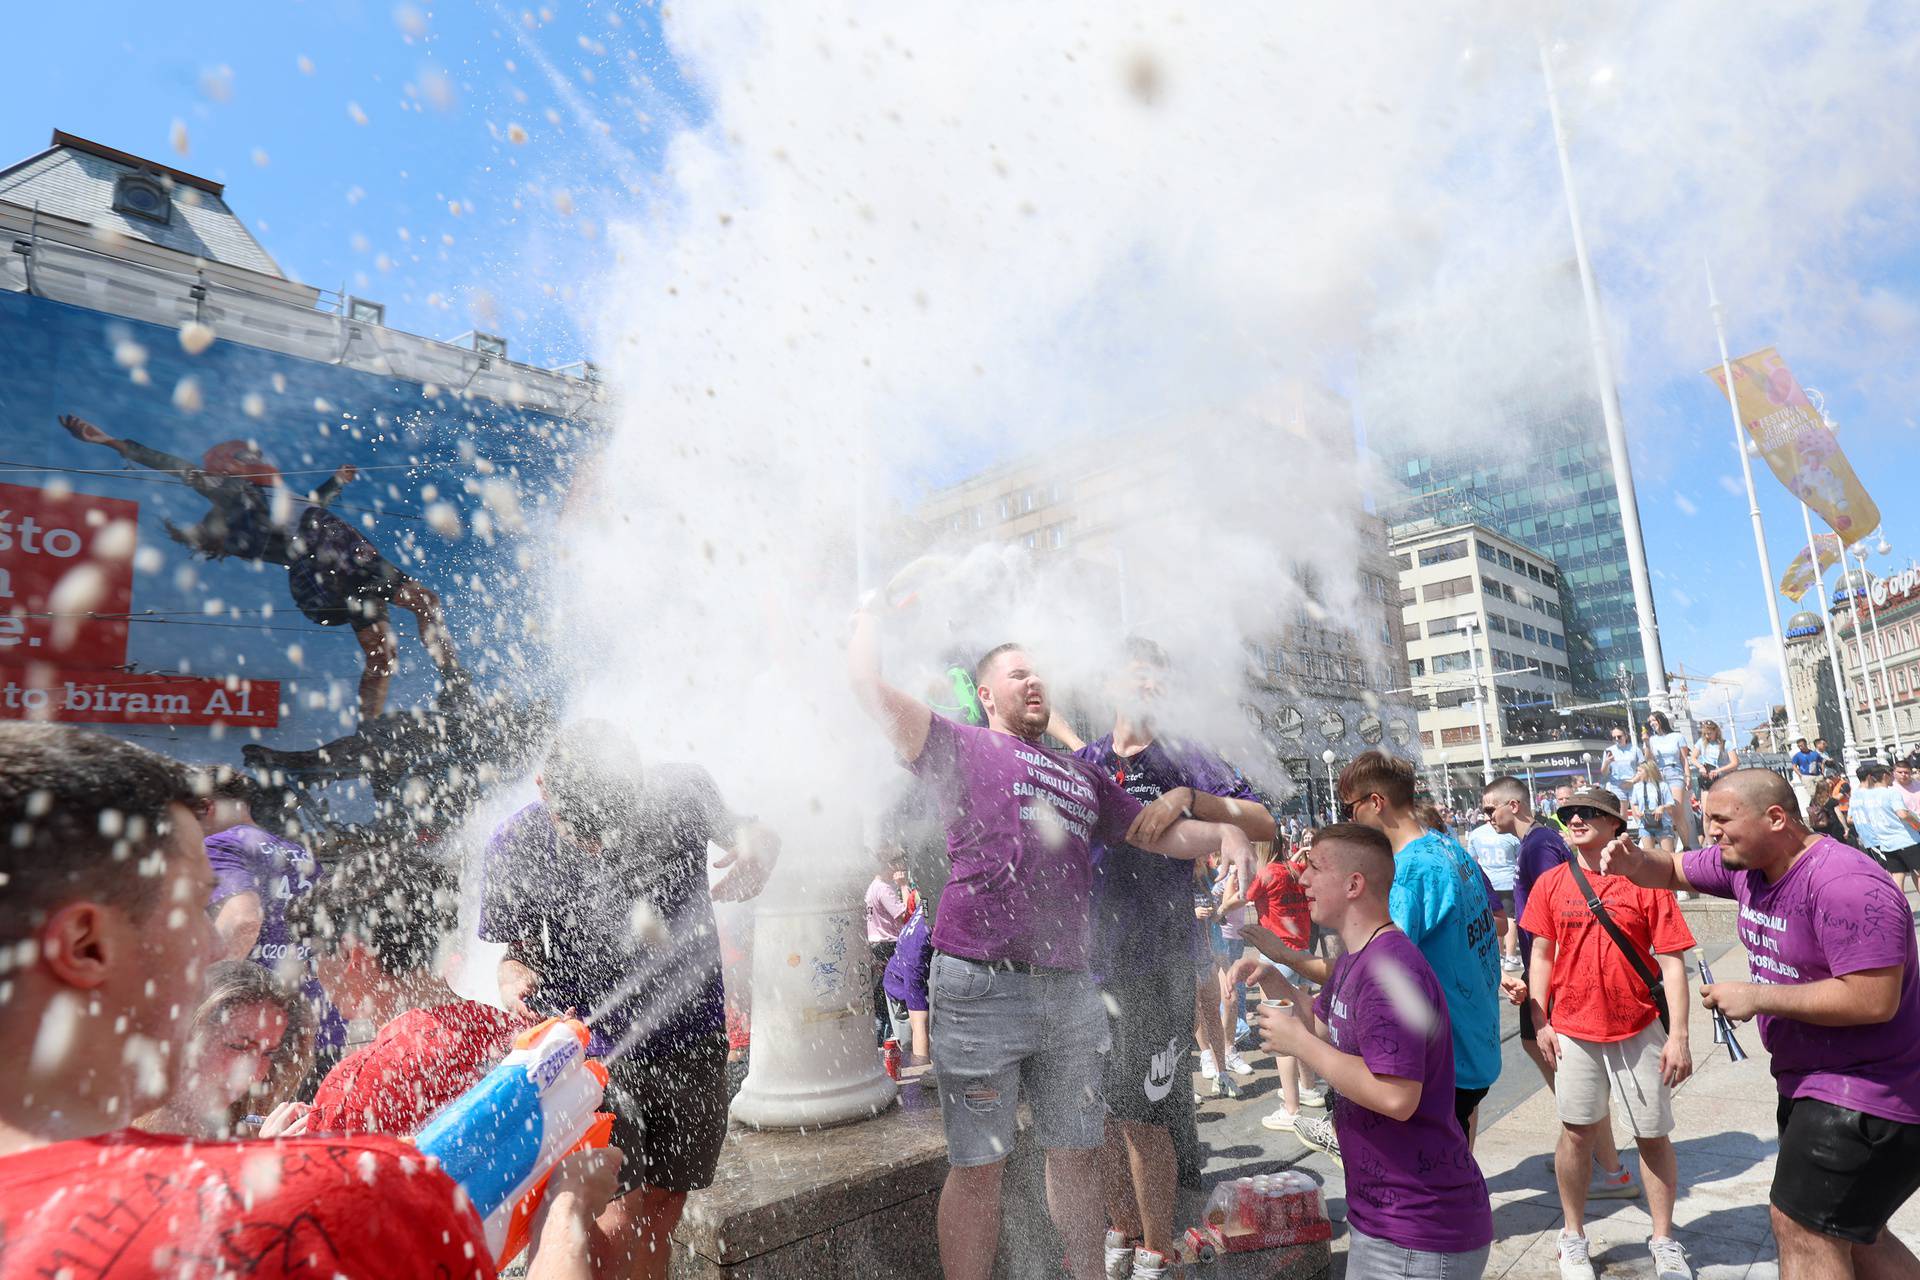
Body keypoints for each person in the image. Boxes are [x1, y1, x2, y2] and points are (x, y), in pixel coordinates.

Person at [0, 722, 613, 1280]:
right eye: (192, 906)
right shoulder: (311, 1201)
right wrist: (565, 1220)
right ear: (84, 945)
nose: (219, 945)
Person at [848, 617, 1257, 1280]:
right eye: (1018, 673)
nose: (1035, 679)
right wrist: (875, 609)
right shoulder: (959, 745)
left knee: (1075, 1150)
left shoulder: (1082, 777)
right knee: (979, 1164)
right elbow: (866, 688)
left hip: (1069, 989)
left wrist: (1226, 834)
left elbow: (1162, 836)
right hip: (978, 984)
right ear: (985, 693)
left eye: (1039, 671)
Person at [481, 719, 775, 1280]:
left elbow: (756, 833)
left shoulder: (683, 790)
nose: (599, 844)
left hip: (691, 1040)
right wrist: (512, 977)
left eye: (610, 825)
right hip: (590, 1059)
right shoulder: (515, 845)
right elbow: (514, 953)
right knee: (616, 1220)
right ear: (543, 788)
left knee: (661, 1212)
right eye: (582, 831)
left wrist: (761, 851)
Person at [1602, 768, 1920, 1279]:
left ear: (1776, 818)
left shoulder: (1845, 883)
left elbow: (1873, 998)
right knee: (1853, 1232)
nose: (1711, 832)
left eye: (1722, 820)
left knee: (1802, 1227)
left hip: (1869, 1093)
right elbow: (1672, 869)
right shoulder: (1745, 864)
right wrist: (1635, 860)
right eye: (1707, 820)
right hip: (1813, 1082)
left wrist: (1756, 996)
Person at [1049, 637, 1277, 1280]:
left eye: (1159, 681)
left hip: (1161, 964)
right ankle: (1119, 1231)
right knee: (1100, 1116)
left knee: (1144, 1116)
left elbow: (1261, 820)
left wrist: (1188, 799)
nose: (1149, 690)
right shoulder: (1087, 760)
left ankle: (1157, 1247)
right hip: (1089, 965)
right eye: (1137, 678)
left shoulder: (1184, 755)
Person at [57, 414, 462, 720]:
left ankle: (425, 697)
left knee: (384, 652)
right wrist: (113, 442)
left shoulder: (280, 496)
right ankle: (399, 713)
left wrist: (335, 482)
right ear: (229, 467)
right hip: (333, 562)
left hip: (350, 556)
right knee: (408, 620)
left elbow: (311, 506)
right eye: (245, 456)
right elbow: (177, 467)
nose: (258, 458)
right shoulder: (236, 492)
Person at [1254, 823, 1493, 1276]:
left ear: (1353, 884)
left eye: (1314, 867)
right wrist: (1273, 981)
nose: (1301, 878)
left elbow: (1396, 1096)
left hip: (1420, 1233)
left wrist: (1297, 1043)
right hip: (1385, 1220)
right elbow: (1326, 1028)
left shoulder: (1389, 970)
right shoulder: (1356, 956)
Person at [1520, 789, 1695, 1280]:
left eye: (1589, 812)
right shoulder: (1552, 883)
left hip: (1639, 1025)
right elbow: (1541, 956)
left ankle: (1663, 1239)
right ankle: (1572, 1238)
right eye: (1567, 813)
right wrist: (1540, 1020)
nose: (1575, 818)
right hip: (1573, 1028)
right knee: (1575, 1133)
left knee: (1652, 1135)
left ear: (1616, 822)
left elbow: (1673, 962)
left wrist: (1678, 1035)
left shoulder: (1648, 882)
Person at [1483, 776, 1638, 1200]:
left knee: (1565, 1066)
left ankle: (1607, 1166)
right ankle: (1585, 1145)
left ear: (1513, 805)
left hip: (1551, 971)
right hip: (1544, 967)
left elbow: (1566, 905)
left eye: (1489, 809)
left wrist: (1549, 973)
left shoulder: (1537, 845)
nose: (1486, 817)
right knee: (1552, 1059)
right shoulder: (1537, 842)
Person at [1338, 751, 1501, 1145]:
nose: (1349, 820)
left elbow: (1371, 966)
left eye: (1350, 809)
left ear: (1376, 802)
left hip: (1445, 1059)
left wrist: (1289, 958)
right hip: (1476, 1042)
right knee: (1459, 1157)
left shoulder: (1411, 871)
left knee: (1433, 1183)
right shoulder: (1448, 847)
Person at [305, 845, 520, 1136]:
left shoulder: (352, 1090)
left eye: (316, 957)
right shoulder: (514, 1034)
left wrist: (272, 1146)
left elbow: (326, 1179)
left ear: (351, 956)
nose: (315, 973)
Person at [197, 768, 343, 1063]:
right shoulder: (299, 854)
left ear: (204, 807)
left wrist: (207, 995)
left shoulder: (220, 844)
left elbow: (244, 921)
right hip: (319, 1025)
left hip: (255, 1035)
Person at [137, 959, 311, 1139]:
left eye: (268, 1053)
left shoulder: (241, 1126)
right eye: (238, 1046)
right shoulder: (118, 1125)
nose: (255, 1074)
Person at [1248, 839, 1326, 1133]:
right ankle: (1309, 1088)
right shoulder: (1294, 868)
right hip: (1301, 953)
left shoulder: (1266, 873)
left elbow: (1238, 897)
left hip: (1276, 958)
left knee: (1282, 1034)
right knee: (1303, 1025)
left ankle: (1291, 1109)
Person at [1850, 761, 1920, 892]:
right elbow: (1903, 814)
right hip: (1906, 839)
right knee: (1918, 872)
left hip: (1886, 842)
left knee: (1898, 875)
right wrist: (1917, 823)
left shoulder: (1865, 796)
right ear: (1885, 775)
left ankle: (1899, 909)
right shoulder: (1891, 793)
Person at [1465, 814, 1523, 972]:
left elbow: (1472, 858)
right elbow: (1520, 856)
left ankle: (1499, 955)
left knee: (1494, 918)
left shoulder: (1476, 834)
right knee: (1511, 918)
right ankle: (1510, 956)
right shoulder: (1510, 834)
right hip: (1507, 880)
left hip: (1487, 881)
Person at [866, 848, 912, 1045]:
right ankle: (892, 1042)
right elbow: (905, 916)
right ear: (890, 865)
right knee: (894, 998)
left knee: (882, 1000)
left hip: (877, 945)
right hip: (888, 946)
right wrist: (903, 886)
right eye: (898, 863)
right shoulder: (884, 888)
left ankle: (881, 1044)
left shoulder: (873, 886)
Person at [1644, 713, 1694, 849]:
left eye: (1653, 720)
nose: (1651, 723)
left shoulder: (1677, 737)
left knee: (1677, 811)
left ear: (1660, 720)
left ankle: (1686, 846)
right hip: (1659, 776)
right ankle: (1669, 846)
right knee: (1665, 813)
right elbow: (1648, 760)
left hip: (1675, 774)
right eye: (1649, 722)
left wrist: (1688, 776)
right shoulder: (1652, 739)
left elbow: (1684, 759)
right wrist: (1647, 743)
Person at [1627, 761, 1680, 852]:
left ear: (1648, 771)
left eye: (1640, 771)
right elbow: (1635, 803)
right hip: (1645, 824)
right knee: (1650, 857)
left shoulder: (1663, 785)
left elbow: (1671, 804)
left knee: (1668, 855)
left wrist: (1662, 808)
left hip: (1663, 824)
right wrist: (1637, 811)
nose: (1637, 774)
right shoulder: (1637, 787)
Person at [1691, 720, 1741, 792]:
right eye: (1704, 734)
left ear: (1716, 731)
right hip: (1708, 780)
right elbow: (1693, 758)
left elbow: (1735, 763)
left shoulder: (1726, 744)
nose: (1707, 736)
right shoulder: (1701, 742)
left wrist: (1718, 770)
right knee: (1706, 800)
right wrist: (1701, 767)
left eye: (1709, 733)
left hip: (1724, 779)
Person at [1601, 725, 1645, 806]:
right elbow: (1604, 773)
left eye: (1619, 736)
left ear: (1626, 736)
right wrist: (1606, 762)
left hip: (1634, 783)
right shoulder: (1609, 751)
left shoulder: (1635, 749)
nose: (1617, 739)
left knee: (1637, 812)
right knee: (1621, 815)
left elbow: (1643, 769)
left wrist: (1632, 781)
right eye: (1614, 738)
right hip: (1617, 785)